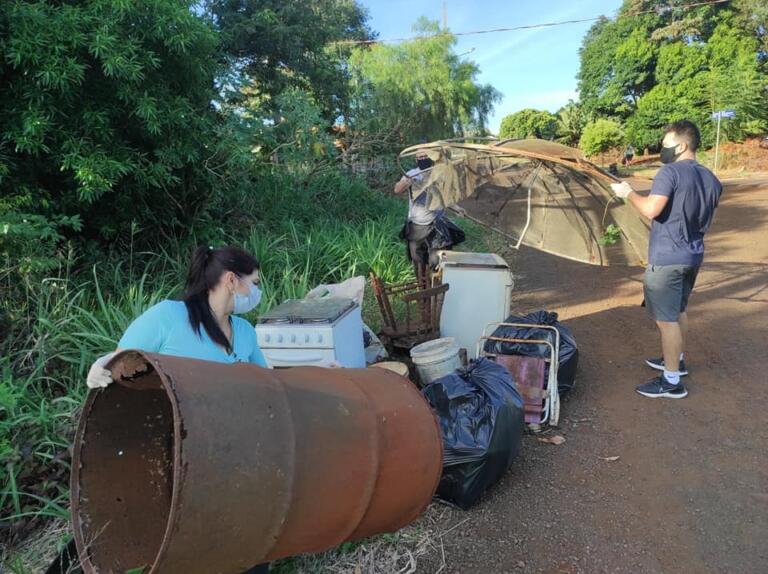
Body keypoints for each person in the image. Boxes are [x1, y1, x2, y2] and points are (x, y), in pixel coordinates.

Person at [86, 245, 269, 573]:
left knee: (246, 537)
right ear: (231, 280)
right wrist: (99, 366)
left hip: (235, 450)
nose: (256, 291)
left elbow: (266, 386)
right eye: (253, 283)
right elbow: (123, 364)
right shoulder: (167, 318)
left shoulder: (245, 332)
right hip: (179, 450)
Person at [610, 120, 722, 399]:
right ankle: (677, 361)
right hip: (693, 255)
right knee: (678, 310)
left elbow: (651, 209)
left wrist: (628, 193)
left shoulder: (669, 172)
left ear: (682, 145)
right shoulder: (711, 179)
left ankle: (671, 381)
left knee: (666, 320)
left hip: (668, 258)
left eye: (666, 144)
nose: (662, 149)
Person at [394, 151, 464, 276]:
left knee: (437, 263)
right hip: (416, 225)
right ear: (416, 160)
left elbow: (445, 197)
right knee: (418, 262)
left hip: (436, 225)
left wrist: (457, 208)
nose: (423, 159)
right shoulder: (411, 174)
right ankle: (422, 288)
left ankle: (437, 289)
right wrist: (405, 183)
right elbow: (397, 190)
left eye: (425, 156)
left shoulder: (439, 174)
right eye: (420, 157)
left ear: (431, 158)